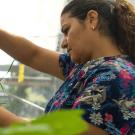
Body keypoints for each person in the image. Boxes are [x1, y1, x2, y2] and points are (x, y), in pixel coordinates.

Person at [0, 0, 135, 134]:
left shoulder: (114, 76)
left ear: (92, 19)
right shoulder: (85, 68)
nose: (63, 43)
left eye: (66, 30)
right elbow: (33, 55)